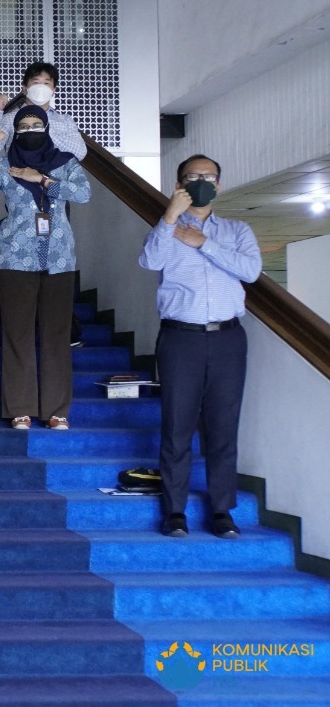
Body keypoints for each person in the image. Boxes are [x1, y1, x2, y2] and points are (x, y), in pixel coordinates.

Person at [138, 155, 260, 539]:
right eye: (192, 177)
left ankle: (222, 510)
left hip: (228, 338)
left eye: (208, 177)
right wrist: (170, 217)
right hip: (180, 338)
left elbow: (251, 271)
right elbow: (148, 260)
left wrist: (205, 243)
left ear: (219, 185)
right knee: (177, 425)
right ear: (180, 185)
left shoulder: (238, 231)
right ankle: (174, 511)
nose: (201, 181)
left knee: (223, 426)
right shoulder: (166, 228)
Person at [0, 105, 90, 430]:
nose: (29, 129)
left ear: (47, 127)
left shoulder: (65, 163)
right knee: (17, 334)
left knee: (55, 334)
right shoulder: (3, 163)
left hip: (59, 258)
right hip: (14, 257)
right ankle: (20, 408)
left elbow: (83, 194)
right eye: (23, 125)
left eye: (36, 124)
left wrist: (41, 179)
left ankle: (56, 411)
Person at [0, 61, 85, 160]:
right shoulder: (10, 118)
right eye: (36, 82)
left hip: (54, 178)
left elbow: (80, 153)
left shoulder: (65, 120)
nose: (41, 87)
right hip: (16, 176)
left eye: (46, 83)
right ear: (25, 89)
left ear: (53, 91)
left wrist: (42, 130)